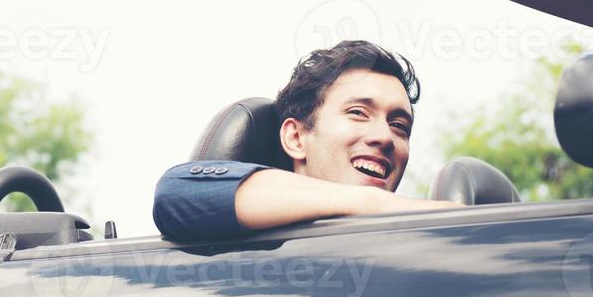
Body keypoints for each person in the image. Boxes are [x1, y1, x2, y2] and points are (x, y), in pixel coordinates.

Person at [152, 40, 461, 240]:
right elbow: (179, 191)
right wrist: (375, 203)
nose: (385, 137)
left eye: (398, 125)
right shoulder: (256, 248)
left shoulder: (413, 246)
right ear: (296, 137)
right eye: (358, 113)